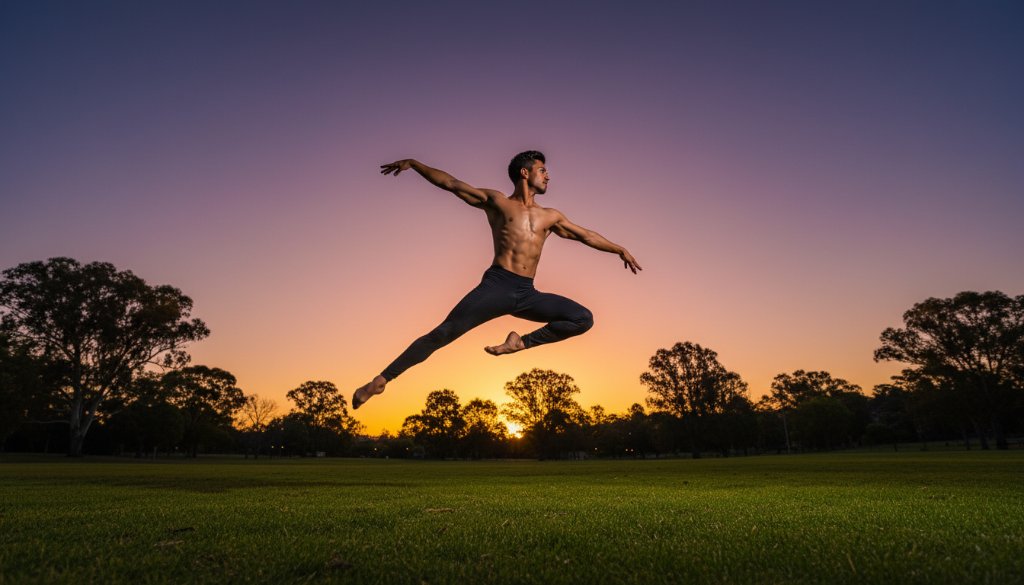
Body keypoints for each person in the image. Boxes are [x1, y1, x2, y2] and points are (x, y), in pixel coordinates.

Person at [352, 151, 641, 409]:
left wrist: (619, 249)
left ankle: (520, 343)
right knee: (443, 333)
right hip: (497, 286)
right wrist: (414, 164)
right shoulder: (498, 202)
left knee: (582, 318)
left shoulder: (550, 216)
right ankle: (380, 381)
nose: (548, 175)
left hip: (526, 293)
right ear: (525, 173)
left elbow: (585, 235)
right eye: (543, 170)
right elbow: (452, 184)